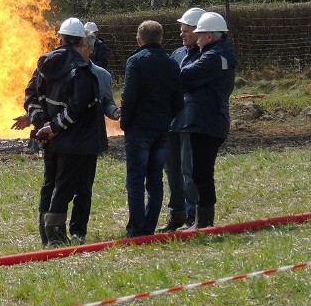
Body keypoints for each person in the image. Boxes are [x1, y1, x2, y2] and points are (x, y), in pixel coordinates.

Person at [13, 17, 105, 246]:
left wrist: (43, 123)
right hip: (74, 140)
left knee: (49, 184)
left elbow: (30, 97)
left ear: (61, 38)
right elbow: (77, 107)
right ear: (80, 41)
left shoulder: (44, 65)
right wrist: (53, 127)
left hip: (50, 139)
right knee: (64, 186)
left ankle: (46, 235)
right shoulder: (80, 69)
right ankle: (55, 238)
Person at [119, 20, 183, 237]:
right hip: (162, 128)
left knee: (136, 180)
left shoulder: (135, 61)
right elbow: (178, 100)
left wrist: (125, 123)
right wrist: (166, 118)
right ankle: (149, 226)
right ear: (161, 38)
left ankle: (136, 228)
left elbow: (128, 97)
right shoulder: (171, 63)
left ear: (139, 40)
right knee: (155, 179)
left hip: (139, 128)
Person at [180, 11, 238, 229]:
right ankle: (202, 219)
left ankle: (204, 221)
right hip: (211, 119)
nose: (197, 38)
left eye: (200, 34)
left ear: (210, 37)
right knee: (201, 171)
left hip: (206, 121)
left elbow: (186, 76)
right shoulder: (221, 55)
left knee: (202, 173)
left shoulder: (212, 57)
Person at [65, 30, 117, 244]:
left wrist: (115, 112)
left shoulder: (101, 75)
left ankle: (78, 230)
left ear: (91, 49)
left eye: (82, 46)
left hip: (89, 139)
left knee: (84, 188)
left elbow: (107, 101)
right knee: (62, 186)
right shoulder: (64, 71)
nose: (78, 50)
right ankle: (56, 228)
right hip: (66, 138)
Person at [157, 7, 205, 232]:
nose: (182, 34)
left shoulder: (206, 55)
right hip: (171, 121)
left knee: (189, 170)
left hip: (190, 122)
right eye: (181, 30)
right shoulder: (177, 54)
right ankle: (176, 214)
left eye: (186, 30)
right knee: (172, 170)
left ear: (199, 31)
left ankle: (192, 213)